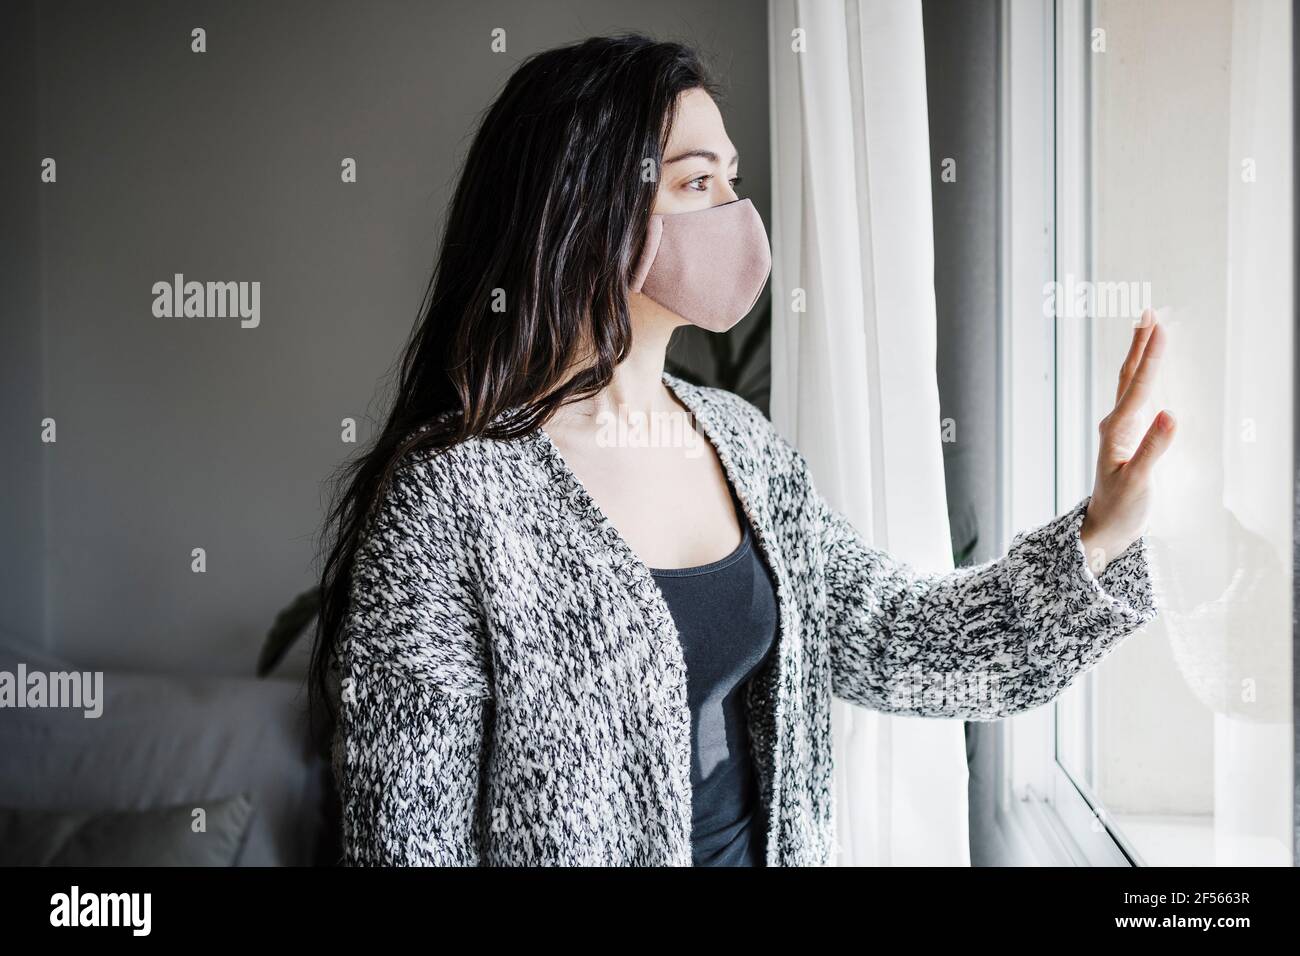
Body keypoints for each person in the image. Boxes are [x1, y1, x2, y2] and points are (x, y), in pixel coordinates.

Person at [311, 34, 1175, 867]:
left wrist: (1097, 535)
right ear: (587, 206)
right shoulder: (450, 501)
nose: (737, 215)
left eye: (733, 180)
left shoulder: (741, 443)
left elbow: (897, 639)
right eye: (698, 182)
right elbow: (406, 844)